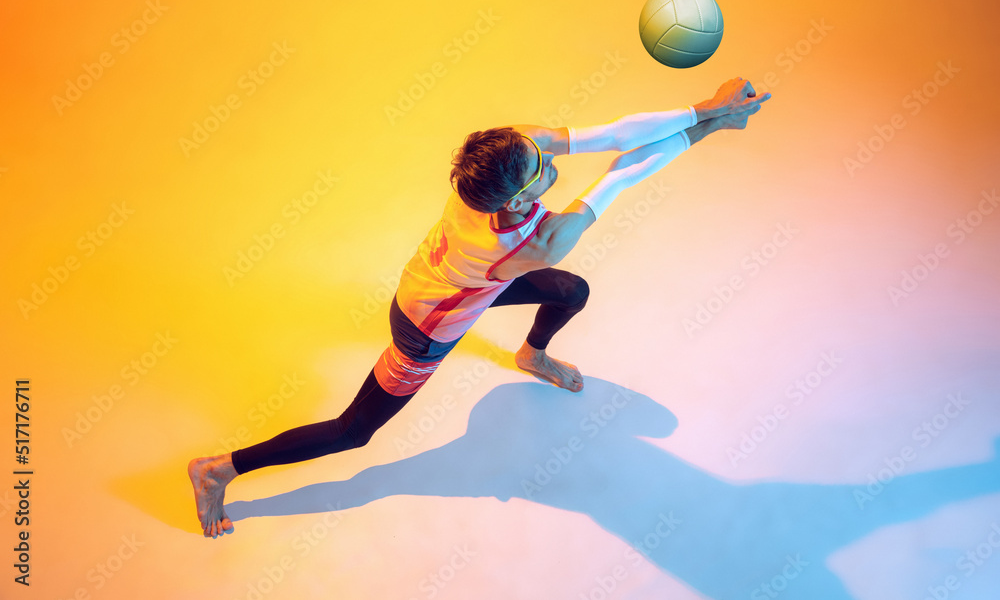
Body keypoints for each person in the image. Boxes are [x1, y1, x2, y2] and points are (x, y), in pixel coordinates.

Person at [188, 77, 771, 538]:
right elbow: (624, 172)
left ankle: (531, 355)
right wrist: (714, 128)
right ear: (519, 196)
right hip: (427, 325)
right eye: (543, 170)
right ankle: (220, 469)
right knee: (354, 431)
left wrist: (709, 108)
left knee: (570, 291)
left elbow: (616, 134)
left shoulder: (506, 151)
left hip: (454, 278)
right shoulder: (539, 241)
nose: (550, 162)